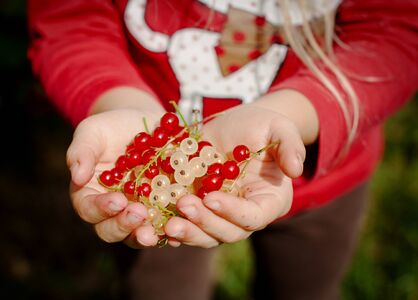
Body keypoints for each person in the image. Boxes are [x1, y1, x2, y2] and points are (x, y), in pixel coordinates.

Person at [27, 0, 418, 299]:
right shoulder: (146, 192)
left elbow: (394, 33)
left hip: (323, 179)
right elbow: (72, 21)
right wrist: (121, 105)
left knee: (304, 288)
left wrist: (289, 114)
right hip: (163, 208)